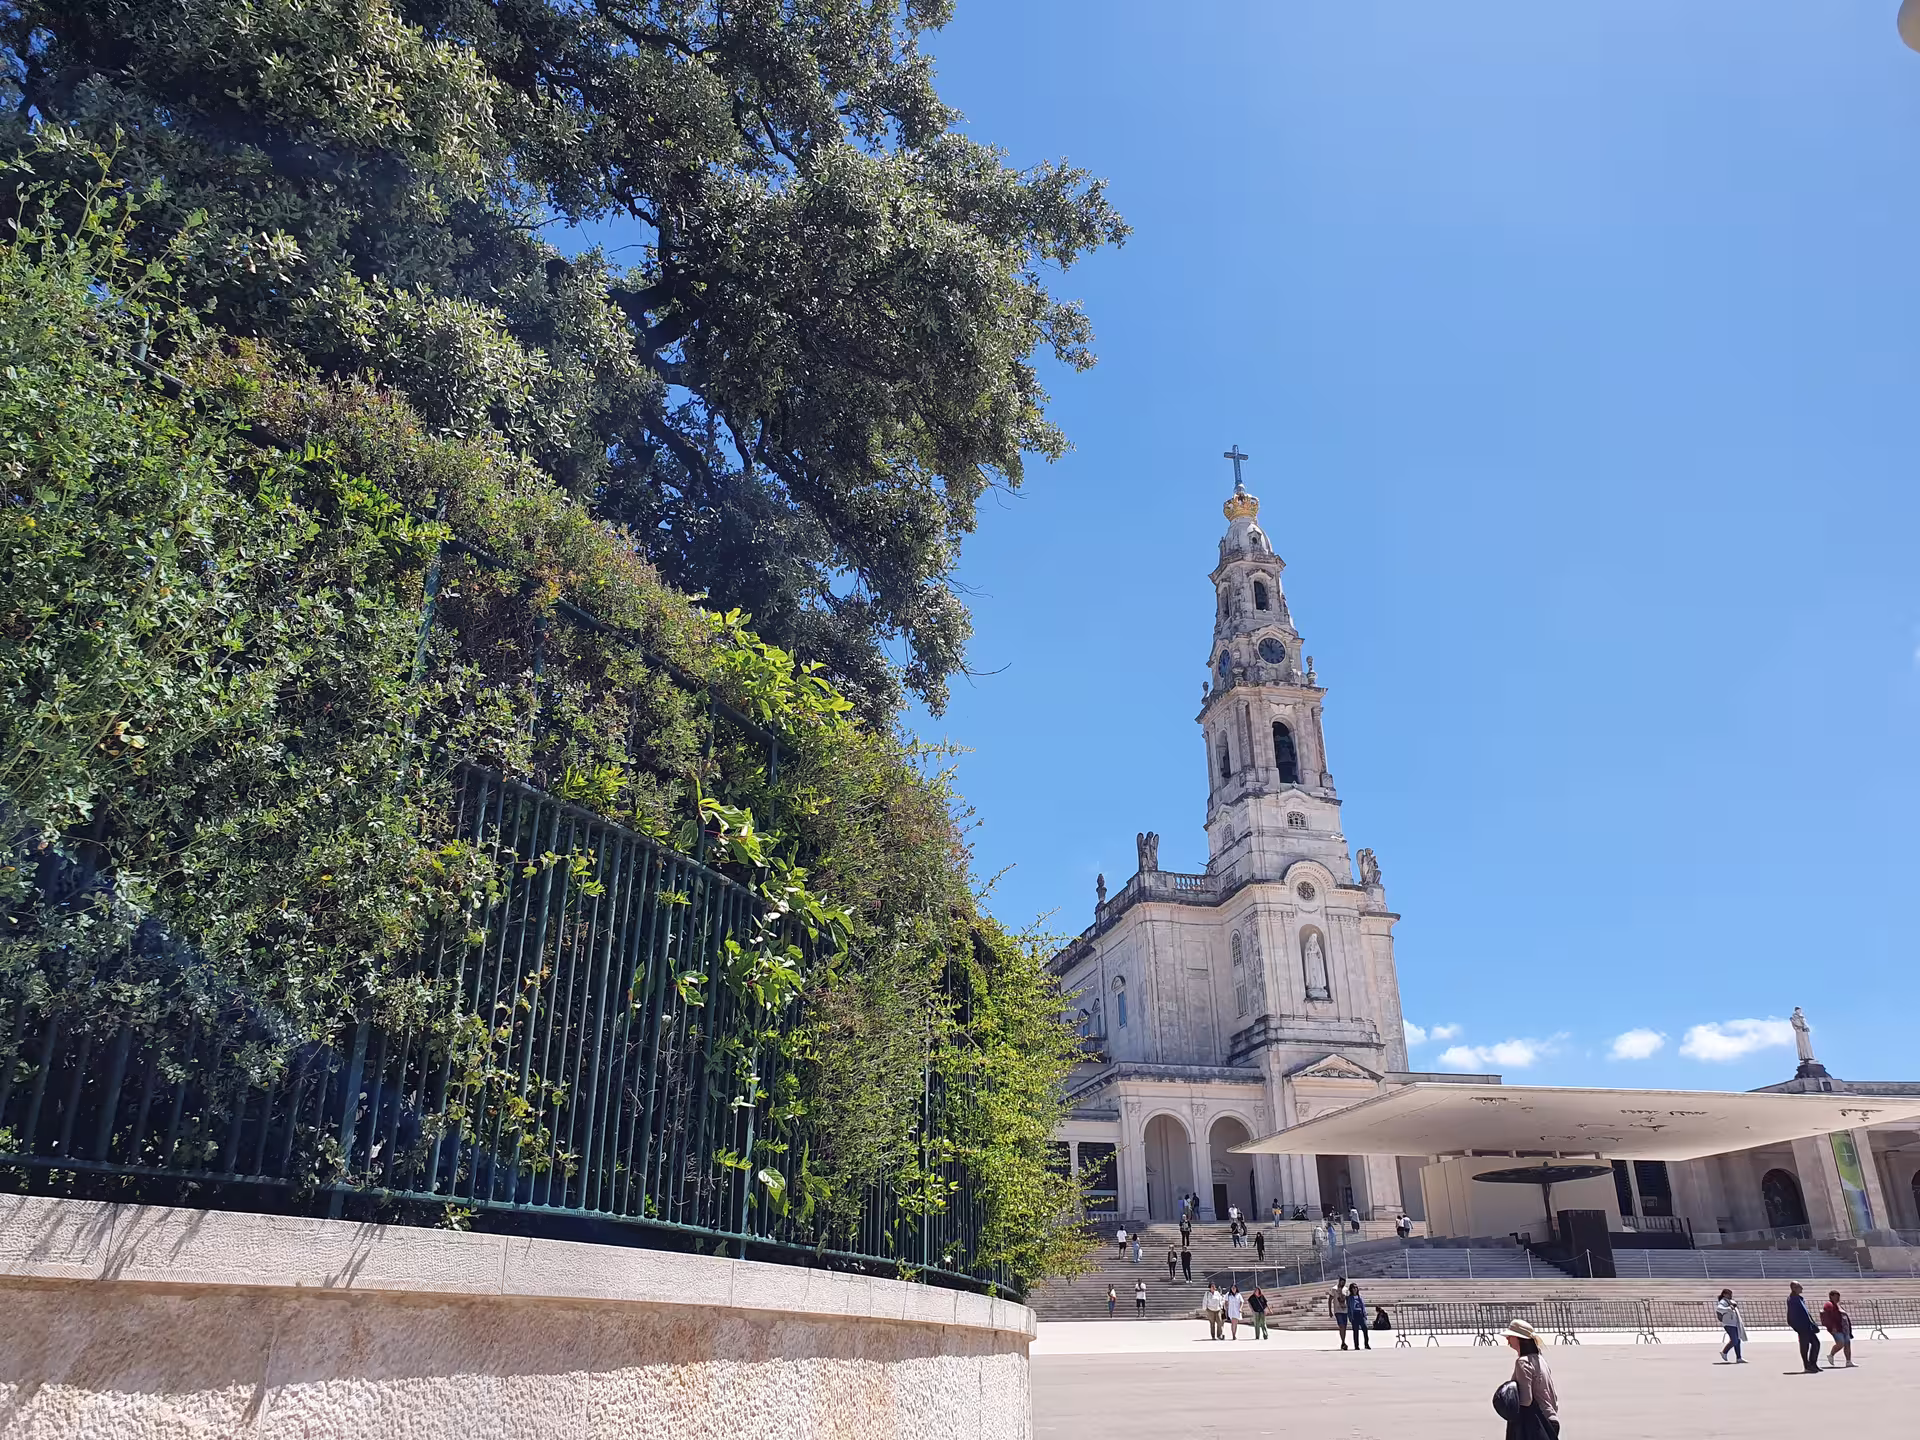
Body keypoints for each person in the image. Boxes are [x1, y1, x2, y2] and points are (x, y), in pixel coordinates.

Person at [1501, 1319, 1560, 1439]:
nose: (1507, 1339)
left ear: (1519, 1339)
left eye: (1510, 1336)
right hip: (1551, 1418)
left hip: (1536, 1424)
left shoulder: (1523, 1362)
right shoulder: (1540, 1359)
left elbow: (1526, 1400)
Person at [1787, 1282, 1822, 1374]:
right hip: (1802, 1327)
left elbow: (1806, 1313)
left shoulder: (1800, 1298)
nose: (1802, 1288)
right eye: (1799, 1287)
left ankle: (1813, 1364)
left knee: (1816, 1343)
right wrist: (1796, 1326)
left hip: (1808, 1326)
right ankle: (1807, 1365)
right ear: (1794, 1288)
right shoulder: (1792, 1300)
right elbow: (1792, 1315)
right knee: (1805, 1346)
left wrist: (1812, 1323)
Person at [1821, 1290, 1855, 1368]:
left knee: (1847, 1344)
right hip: (1836, 1328)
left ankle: (1848, 1361)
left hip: (1844, 1328)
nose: (1838, 1298)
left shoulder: (1838, 1305)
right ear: (1831, 1296)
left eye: (1839, 1296)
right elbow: (1829, 1316)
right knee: (1841, 1343)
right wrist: (1832, 1327)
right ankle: (1831, 1355)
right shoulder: (1828, 1305)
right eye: (1836, 1296)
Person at [1715, 1289, 1745, 1363]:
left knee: (1738, 1340)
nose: (1731, 1295)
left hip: (1734, 1323)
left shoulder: (1730, 1301)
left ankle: (1739, 1358)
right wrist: (1728, 1309)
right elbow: (1719, 1308)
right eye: (1729, 1294)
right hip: (1728, 1323)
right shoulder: (1723, 1301)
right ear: (1724, 1294)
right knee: (1734, 1340)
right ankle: (1724, 1352)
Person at [1346, 1283, 1371, 1350]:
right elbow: (1348, 1308)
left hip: (1361, 1314)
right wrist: (1350, 1317)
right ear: (1351, 1289)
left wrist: (1364, 1314)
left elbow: (1363, 1306)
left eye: (1356, 1288)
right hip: (1354, 1314)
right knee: (1355, 1331)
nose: (1355, 1289)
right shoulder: (1349, 1298)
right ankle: (1356, 1345)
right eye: (1353, 1288)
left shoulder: (1360, 1297)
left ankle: (1366, 1344)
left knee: (1365, 1329)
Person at [1329, 1282, 1350, 1349]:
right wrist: (1330, 1311)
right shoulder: (1334, 1289)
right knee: (1341, 1326)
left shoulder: (1346, 1289)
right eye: (1341, 1281)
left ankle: (1343, 1342)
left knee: (1344, 1327)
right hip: (1338, 1311)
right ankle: (1343, 1342)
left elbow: (1348, 1300)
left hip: (1345, 1311)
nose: (1343, 1283)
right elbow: (1330, 1299)